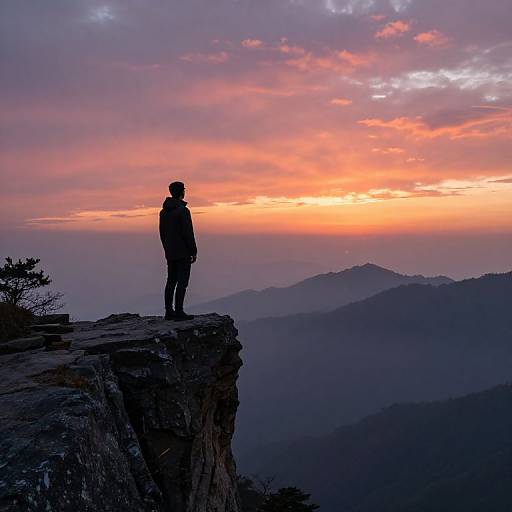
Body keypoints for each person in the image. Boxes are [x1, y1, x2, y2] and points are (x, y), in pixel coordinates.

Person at [159, 181, 197, 321]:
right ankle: (179, 311)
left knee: (170, 281)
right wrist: (193, 251)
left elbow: (162, 234)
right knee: (182, 282)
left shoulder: (163, 212)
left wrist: (167, 249)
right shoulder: (183, 211)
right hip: (183, 253)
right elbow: (188, 233)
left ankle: (169, 312)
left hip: (170, 252)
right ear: (182, 192)